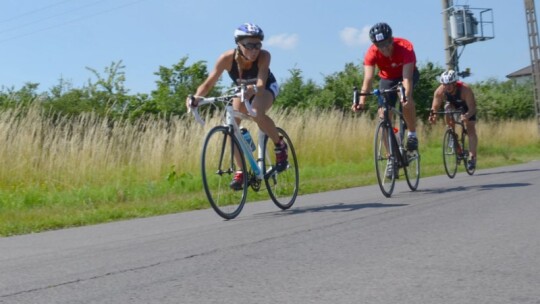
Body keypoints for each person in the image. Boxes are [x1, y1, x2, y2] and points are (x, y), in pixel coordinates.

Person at [186, 23, 287, 190]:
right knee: (231, 127)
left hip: (266, 87)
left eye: (258, 45)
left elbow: (261, 84)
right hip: (242, 90)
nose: (255, 49)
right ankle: (241, 171)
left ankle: (280, 145)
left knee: (255, 112)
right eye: (250, 45)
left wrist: (252, 89)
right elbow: (208, 83)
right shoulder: (227, 59)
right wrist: (196, 98)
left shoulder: (264, 56)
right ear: (239, 45)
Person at [352, 22, 420, 152]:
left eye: (386, 44)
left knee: (404, 98)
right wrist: (361, 102)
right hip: (387, 78)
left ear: (391, 39)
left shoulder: (405, 47)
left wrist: (406, 96)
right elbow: (368, 79)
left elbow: (407, 78)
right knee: (383, 114)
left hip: (406, 75)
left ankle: (412, 134)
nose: (384, 48)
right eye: (379, 46)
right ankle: (391, 157)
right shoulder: (371, 53)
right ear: (375, 45)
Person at [429, 70, 478, 170]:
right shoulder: (440, 91)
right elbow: (434, 107)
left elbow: (472, 108)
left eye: (450, 84)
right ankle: (452, 134)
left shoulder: (465, 89)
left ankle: (472, 157)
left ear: (455, 83)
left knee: (470, 127)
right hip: (452, 104)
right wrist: (432, 116)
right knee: (447, 109)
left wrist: (467, 115)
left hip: (466, 107)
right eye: (445, 84)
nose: (447, 87)